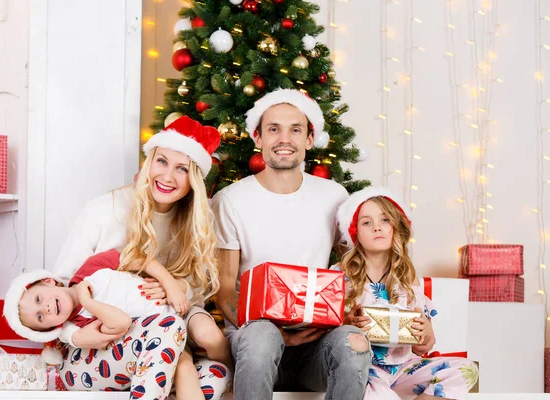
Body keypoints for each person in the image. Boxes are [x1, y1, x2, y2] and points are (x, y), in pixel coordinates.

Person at [50, 116, 231, 399]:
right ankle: (179, 365)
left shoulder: (194, 221)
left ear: (194, 179)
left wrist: (178, 287)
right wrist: (74, 336)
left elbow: (199, 284)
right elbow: (58, 291)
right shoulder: (104, 209)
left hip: (159, 341)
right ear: (150, 162)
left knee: (216, 371)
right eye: (162, 162)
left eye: (182, 168)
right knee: (179, 356)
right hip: (95, 352)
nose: (168, 177)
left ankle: (178, 367)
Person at [211, 88, 371, 400]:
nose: (285, 139)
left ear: (309, 140)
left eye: (295, 129)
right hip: (257, 340)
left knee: (353, 343)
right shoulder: (230, 200)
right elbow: (224, 287)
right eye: (274, 129)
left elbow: (356, 266)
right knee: (262, 339)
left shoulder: (333, 196)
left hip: (317, 342)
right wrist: (279, 334)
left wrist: (349, 310)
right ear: (257, 138)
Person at [336, 187, 478, 399]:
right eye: (367, 222)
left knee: (467, 370)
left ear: (396, 227)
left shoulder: (408, 281)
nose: (377, 228)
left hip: (404, 369)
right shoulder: (340, 276)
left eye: (385, 220)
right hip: (365, 371)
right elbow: (325, 337)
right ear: (355, 232)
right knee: (381, 395)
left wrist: (425, 333)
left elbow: (424, 346)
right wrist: (347, 323)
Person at [3, 250, 188, 398]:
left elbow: (137, 257)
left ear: (48, 281)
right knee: (185, 364)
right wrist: (86, 301)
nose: (46, 308)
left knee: (204, 354)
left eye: (38, 299)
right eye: (40, 318)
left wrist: (170, 283)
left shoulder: (91, 267)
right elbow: (121, 322)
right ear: (51, 329)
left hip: (175, 310)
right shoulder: (84, 325)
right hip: (162, 329)